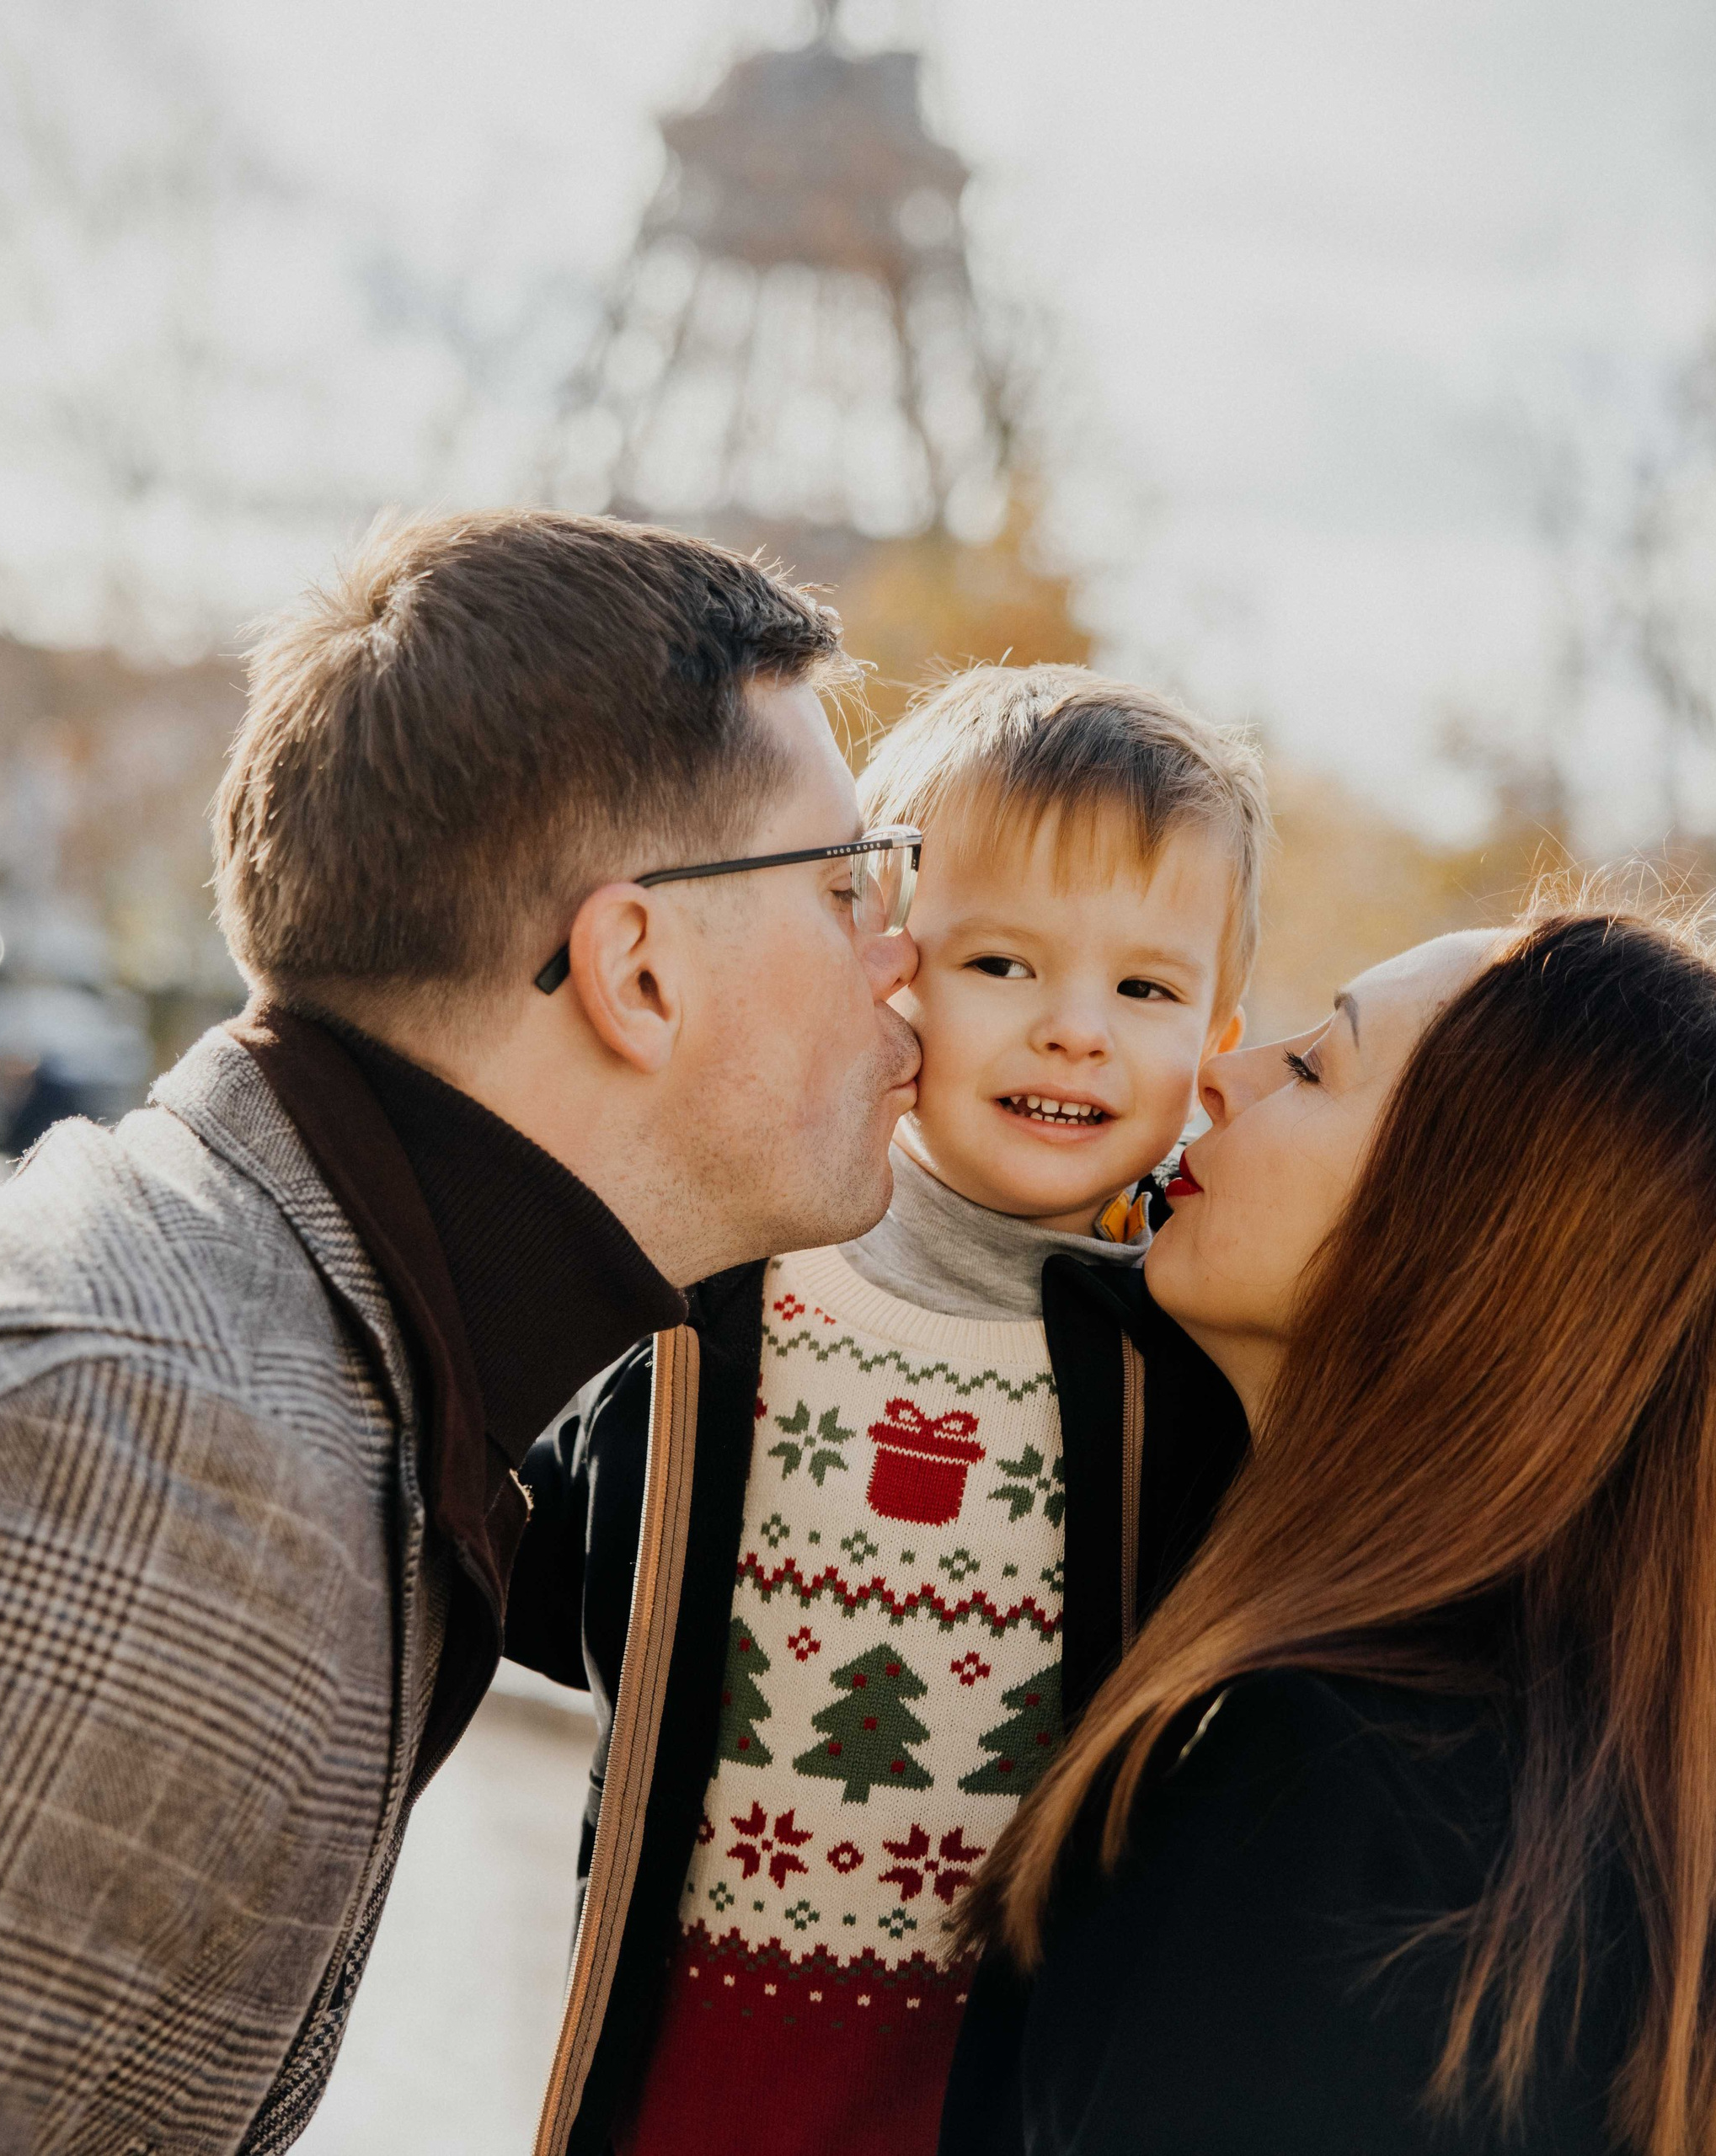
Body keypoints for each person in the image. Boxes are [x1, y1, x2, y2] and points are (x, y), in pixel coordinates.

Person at [0, 510, 921, 2155]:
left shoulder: (253, 1349)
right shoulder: (148, 1463)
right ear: (635, 966)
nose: (902, 956)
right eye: (845, 882)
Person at [943, 909, 1716, 2156]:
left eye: (1318, 1064)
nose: (1223, 1068)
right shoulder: (1682, 1859)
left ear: (1478, 1252)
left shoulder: (1337, 1804)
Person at [506, 664, 1267, 2156]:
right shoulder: (728, 1292)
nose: (1075, 1031)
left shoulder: (1181, 1375)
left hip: (981, 2094)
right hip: (685, 2058)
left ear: (1217, 1043)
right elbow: (530, 1562)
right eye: (1002, 966)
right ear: (885, 964)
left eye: (1146, 988)